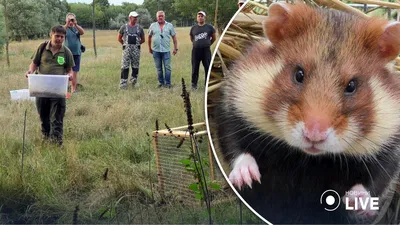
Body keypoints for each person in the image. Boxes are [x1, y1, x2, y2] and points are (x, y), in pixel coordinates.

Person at [25, 25, 75, 147]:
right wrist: (30, 72)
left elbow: (70, 70)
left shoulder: (66, 52)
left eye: (62, 37)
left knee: (57, 117)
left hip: (58, 89)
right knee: (43, 116)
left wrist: (70, 75)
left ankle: (57, 143)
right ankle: (46, 138)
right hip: (41, 88)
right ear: (51, 35)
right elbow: (34, 64)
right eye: (57, 36)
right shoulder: (42, 48)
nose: (59, 39)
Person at [148, 11, 178, 88]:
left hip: (166, 51)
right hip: (156, 50)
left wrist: (175, 48)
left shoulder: (170, 25)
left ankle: (168, 83)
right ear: (156, 17)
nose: (160, 17)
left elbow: (174, 37)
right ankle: (161, 83)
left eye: (162, 16)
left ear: (164, 17)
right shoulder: (153, 25)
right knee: (159, 68)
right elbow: (149, 37)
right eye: (159, 16)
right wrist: (149, 48)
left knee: (167, 67)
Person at [118, 11, 145, 89]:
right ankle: (123, 84)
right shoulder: (124, 27)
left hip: (136, 51)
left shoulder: (140, 28)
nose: (136, 18)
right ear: (130, 18)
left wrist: (136, 45)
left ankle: (134, 82)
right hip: (126, 51)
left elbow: (143, 40)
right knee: (125, 67)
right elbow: (119, 38)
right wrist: (125, 45)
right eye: (134, 17)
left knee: (135, 66)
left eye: (136, 17)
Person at [189, 11, 216, 90]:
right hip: (196, 51)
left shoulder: (209, 27)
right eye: (199, 16)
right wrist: (197, 43)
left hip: (206, 50)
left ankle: (207, 84)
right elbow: (191, 38)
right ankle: (194, 84)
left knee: (207, 67)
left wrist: (208, 44)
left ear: (205, 18)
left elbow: (214, 38)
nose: (200, 17)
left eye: (202, 16)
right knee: (195, 68)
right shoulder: (193, 28)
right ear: (197, 18)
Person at [64, 13, 84, 93]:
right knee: (65, 71)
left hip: (77, 53)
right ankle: (64, 89)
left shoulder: (76, 28)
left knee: (75, 72)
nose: (71, 22)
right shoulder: (64, 28)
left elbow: (82, 32)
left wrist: (75, 24)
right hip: (67, 53)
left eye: (72, 20)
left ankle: (73, 89)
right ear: (66, 20)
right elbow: (61, 31)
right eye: (69, 20)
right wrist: (67, 23)